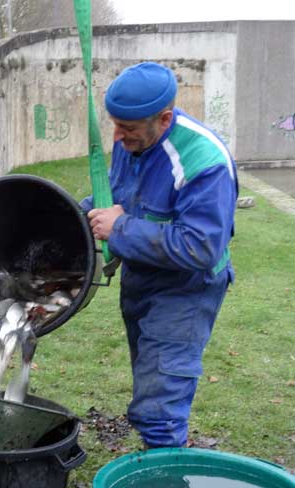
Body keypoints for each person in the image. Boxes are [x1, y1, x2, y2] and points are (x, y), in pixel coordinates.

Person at [81, 62, 238, 448]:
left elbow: (201, 246)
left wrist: (120, 229)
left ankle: (166, 465)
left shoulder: (204, 161)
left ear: (165, 118)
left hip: (187, 289)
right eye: (115, 125)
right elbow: (120, 197)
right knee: (149, 377)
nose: (117, 137)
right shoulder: (132, 140)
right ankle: (164, 452)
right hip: (143, 275)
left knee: (159, 406)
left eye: (128, 129)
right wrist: (77, 212)